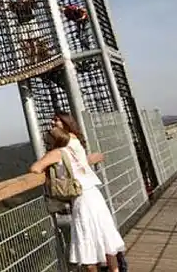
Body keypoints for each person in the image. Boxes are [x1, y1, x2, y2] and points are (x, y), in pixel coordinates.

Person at [30, 113, 125, 272]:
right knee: (105, 235)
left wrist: (50, 169)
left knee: (86, 238)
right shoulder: (75, 142)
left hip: (81, 198)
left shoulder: (56, 153)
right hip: (94, 193)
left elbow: (34, 168)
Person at [9, 0, 45, 65]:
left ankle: (34, 61)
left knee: (33, 43)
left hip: (31, 22)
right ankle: (29, 59)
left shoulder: (29, 1)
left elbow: (35, 6)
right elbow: (11, 7)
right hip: (22, 24)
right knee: (24, 43)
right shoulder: (16, 4)